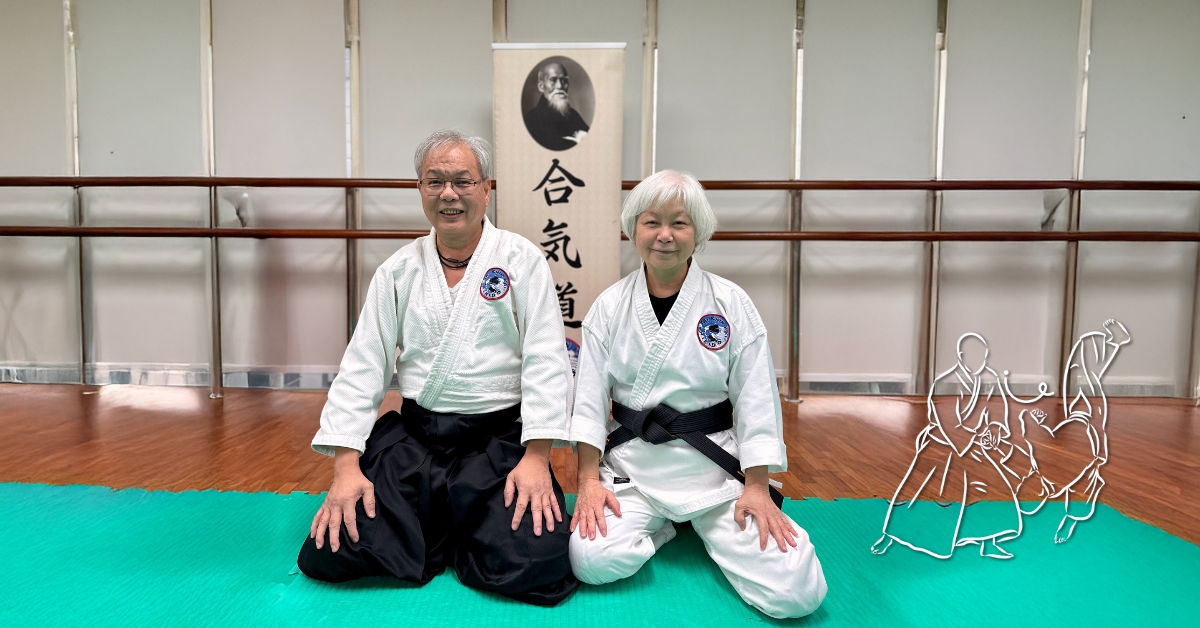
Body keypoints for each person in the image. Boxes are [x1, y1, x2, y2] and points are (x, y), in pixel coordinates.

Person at [295, 130, 578, 606]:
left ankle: (453, 526)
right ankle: (450, 525)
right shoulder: (399, 270)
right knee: (335, 550)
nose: (449, 194)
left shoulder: (521, 260)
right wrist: (346, 467)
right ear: (420, 190)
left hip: (499, 442)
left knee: (536, 567)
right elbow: (364, 365)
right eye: (435, 181)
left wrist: (536, 458)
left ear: (487, 188)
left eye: (462, 181)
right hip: (419, 440)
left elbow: (547, 360)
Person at [566, 170, 827, 619]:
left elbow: (757, 399)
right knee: (590, 560)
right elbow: (588, 402)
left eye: (679, 223)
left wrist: (759, 487)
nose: (664, 235)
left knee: (798, 593)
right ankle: (668, 527)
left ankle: (696, 523)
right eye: (652, 222)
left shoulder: (730, 303)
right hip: (635, 469)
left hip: (715, 473)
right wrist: (589, 482)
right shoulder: (609, 306)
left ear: (699, 232)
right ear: (633, 229)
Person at [523, 62, 589, 151]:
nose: (560, 86)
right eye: (553, 80)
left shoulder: (573, 115)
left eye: (564, 80)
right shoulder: (529, 121)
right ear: (541, 86)